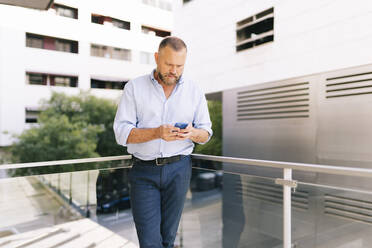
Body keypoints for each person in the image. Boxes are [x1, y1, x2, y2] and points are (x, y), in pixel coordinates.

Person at [113, 36, 212, 248]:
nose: (173, 71)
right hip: (144, 172)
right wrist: (157, 132)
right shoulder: (134, 87)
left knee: (168, 240)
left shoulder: (194, 90)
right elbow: (121, 133)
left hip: (179, 170)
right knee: (150, 243)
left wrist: (193, 133)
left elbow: (206, 133)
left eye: (179, 66)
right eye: (168, 64)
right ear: (157, 58)